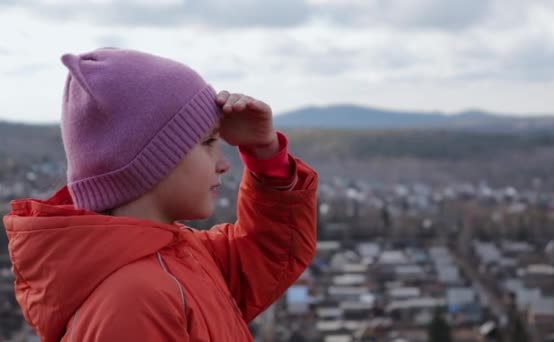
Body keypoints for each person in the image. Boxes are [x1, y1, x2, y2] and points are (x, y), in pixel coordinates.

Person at [2, 48, 318, 341]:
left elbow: (268, 253)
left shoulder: (177, 256)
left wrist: (267, 156)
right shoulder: (136, 301)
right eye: (208, 143)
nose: (223, 164)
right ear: (151, 162)